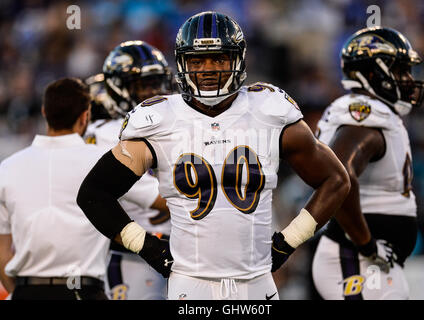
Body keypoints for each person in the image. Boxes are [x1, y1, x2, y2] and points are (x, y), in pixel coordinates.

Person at [77, 11, 350, 300]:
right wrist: (148, 247)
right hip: (190, 283)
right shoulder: (159, 119)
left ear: (238, 60)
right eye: (197, 60)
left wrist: (288, 241)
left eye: (219, 58)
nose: (208, 69)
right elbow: (94, 193)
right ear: (183, 63)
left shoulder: (269, 110)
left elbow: (336, 180)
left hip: (257, 280)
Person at [312, 27, 424, 300]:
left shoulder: (380, 116)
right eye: (401, 71)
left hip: (367, 259)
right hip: (354, 256)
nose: (409, 80)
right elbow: (340, 176)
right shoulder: (363, 114)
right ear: (374, 75)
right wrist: (366, 244)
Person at [0, 78, 110, 300]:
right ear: (85, 116)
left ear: (44, 112)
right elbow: (157, 200)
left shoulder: (8, 167)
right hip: (82, 289)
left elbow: (2, 252)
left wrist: (19, 293)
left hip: (28, 289)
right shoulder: (103, 161)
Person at [83, 40, 173, 300]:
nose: (155, 92)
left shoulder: (170, 125)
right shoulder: (109, 134)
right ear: (118, 88)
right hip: (137, 256)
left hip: (183, 248)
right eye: (145, 85)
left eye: (158, 82)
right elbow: (160, 198)